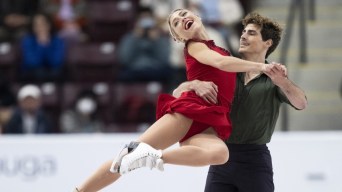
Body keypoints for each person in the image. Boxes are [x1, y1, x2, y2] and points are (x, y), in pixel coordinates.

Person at [73, 9, 277, 192]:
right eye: (176, 22)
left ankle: (152, 157)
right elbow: (220, 63)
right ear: (178, 37)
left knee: (220, 154)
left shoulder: (218, 48)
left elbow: (221, 71)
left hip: (210, 122)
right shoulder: (195, 46)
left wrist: (190, 83)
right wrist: (261, 66)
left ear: (197, 16)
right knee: (125, 157)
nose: (181, 18)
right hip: (190, 112)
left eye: (183, 13)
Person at [173, 12, 308, 192]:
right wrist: (195, 84)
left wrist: (282, 82)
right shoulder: (225, 68)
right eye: (243, 31)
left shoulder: (275, 79)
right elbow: (176, 94)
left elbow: (301, 103)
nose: (243, 35)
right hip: (221, 157)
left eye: (251, 33)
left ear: (267, 43)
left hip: (255, 160)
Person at [116, 6, 172, 83]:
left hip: (156, 70)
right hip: (134, 70)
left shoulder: (160, 37)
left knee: (170, 73)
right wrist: (135, 38)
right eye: (142, 18)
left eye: (148, 18)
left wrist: (157, 40)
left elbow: (164, 59)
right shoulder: (129, 37)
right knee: (122, 75)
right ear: (137, 21)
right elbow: (125, 59)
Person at [19, 12, 66, 83]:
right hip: (33, 73)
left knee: (57, 72)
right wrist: (41, 45)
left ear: (49, 25)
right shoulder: (28, 40)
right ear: (33, 27)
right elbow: (32, 63)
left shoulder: (57, 40)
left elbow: (56, 62)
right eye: (36, 25)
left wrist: (46, 45)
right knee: (38, 72)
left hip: (52, 72)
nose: (40, 27)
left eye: (43, 24)